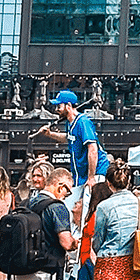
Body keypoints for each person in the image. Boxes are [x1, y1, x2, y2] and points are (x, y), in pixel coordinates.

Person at [89, 158, 140, 280]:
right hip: (133, 261)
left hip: (109, 261)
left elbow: (98, 239)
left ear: (108, 184)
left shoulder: (104, 206)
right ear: (128, 182)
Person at [52, 90, 108, 220]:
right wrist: (49, 134)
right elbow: (68, 138)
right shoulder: (70, 123)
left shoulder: (83, 122)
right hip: (81, 175)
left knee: (88, 212)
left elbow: (92, 148)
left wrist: (91, 177)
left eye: (59, 106)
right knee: (72, 209)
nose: (56, 110)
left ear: (68, 106)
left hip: (95, 173)